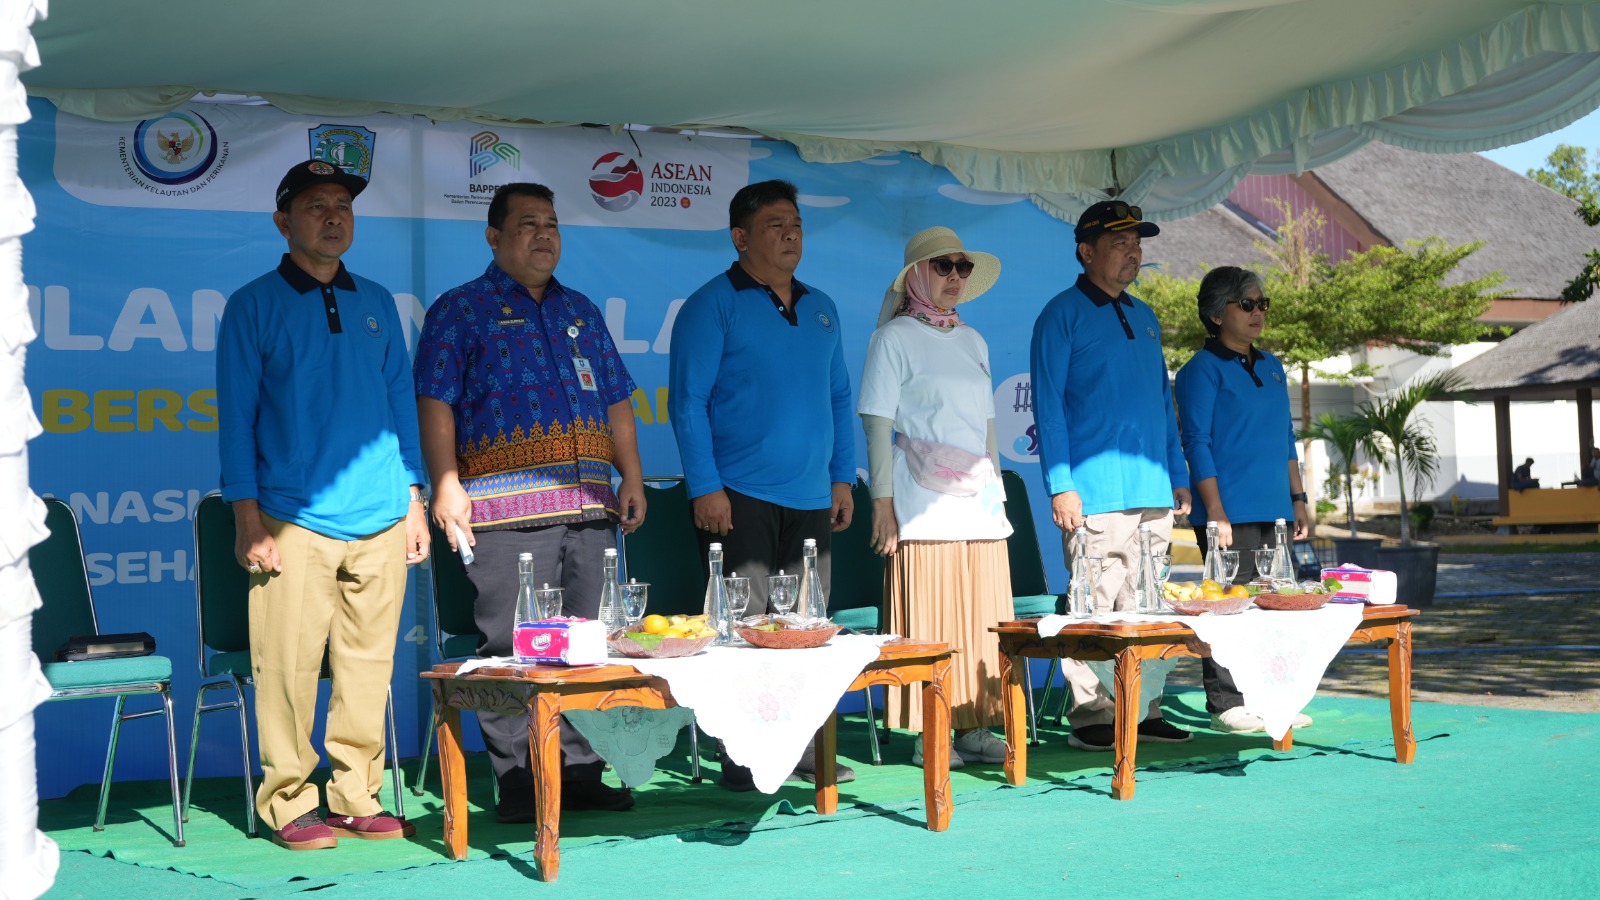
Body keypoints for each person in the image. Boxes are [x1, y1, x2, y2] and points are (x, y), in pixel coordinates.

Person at [217, 160, 429, 850]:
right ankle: (288, 801)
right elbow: (236, 417)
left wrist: (414, 499)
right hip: (291, 516)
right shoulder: (253, 304)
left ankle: (356, 794)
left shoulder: (376, 302)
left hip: (381, 516)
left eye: (343, 205)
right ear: (283, 221)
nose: (334, 216)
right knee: (287, 666)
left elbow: (401, 405)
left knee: (369, 666)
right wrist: (248, 518)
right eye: (316, 206)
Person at [415, 182, 643, 819]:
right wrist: (445, 483)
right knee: (512, 649)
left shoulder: (581, 311)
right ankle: (517, 780)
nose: (544, 235)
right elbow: (436, 401)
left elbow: (617, 400)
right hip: (501, 510)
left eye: (552, 223)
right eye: (527, 224)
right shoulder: (460, 310)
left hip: (590, 505)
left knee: (589, 645)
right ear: (493, 236)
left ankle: (581, 771)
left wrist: (630, 474)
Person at [668, 179, 856, 790]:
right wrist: (705, 486)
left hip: (810, 499)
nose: (791, 233)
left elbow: (838, 398)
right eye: (775, 224)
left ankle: (798, 750)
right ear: (741, 237)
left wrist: (840, 478)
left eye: (796, 223)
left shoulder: (823, 306)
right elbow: (688, 402)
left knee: (804, 634)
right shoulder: (712, 303)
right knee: (742, 635)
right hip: (738, 495)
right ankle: (743, 757)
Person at [1029, 200, 1193, 752]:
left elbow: (1161, 400)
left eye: (1137, 242)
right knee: (1093, 607)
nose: (1133, 251)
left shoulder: (1145, 317)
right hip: (1094, 494)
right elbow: (1047, 407)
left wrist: (1176, 470)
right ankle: (1093, 714)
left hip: (1152, 490)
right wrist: (1061, 484)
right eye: (1121, 242)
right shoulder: (1061, 314)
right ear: (1086, 250)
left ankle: (1144, 710)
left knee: (1149, 607)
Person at [857, 227, 1014, 769]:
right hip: (921, 500)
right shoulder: (892, 338)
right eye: (942, 266)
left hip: (979, 502)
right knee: (933, 616)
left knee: (983, 615)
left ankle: (974, 724)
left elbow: (988, 426)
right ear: (917, 275)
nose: (953, 277)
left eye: (961, 267)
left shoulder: (974, 340)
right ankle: (933, 730)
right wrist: (882, 502)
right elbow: (877, 423)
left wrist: (998, 492)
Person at [1173, 265, 1314, 735]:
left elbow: (1285, 437)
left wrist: (1298, 497)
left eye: (1262, 304)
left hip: (1274, 505)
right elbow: (1195, 441)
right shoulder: (1199, 371)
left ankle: (1274, 696)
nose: (1258, 313)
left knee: (1275, 603)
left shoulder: (1273, 366)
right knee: (1227, 607)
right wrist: (1215, 509)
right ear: (1216, 314)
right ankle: (1227, 702)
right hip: (1226, 509)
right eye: (1247, 304)